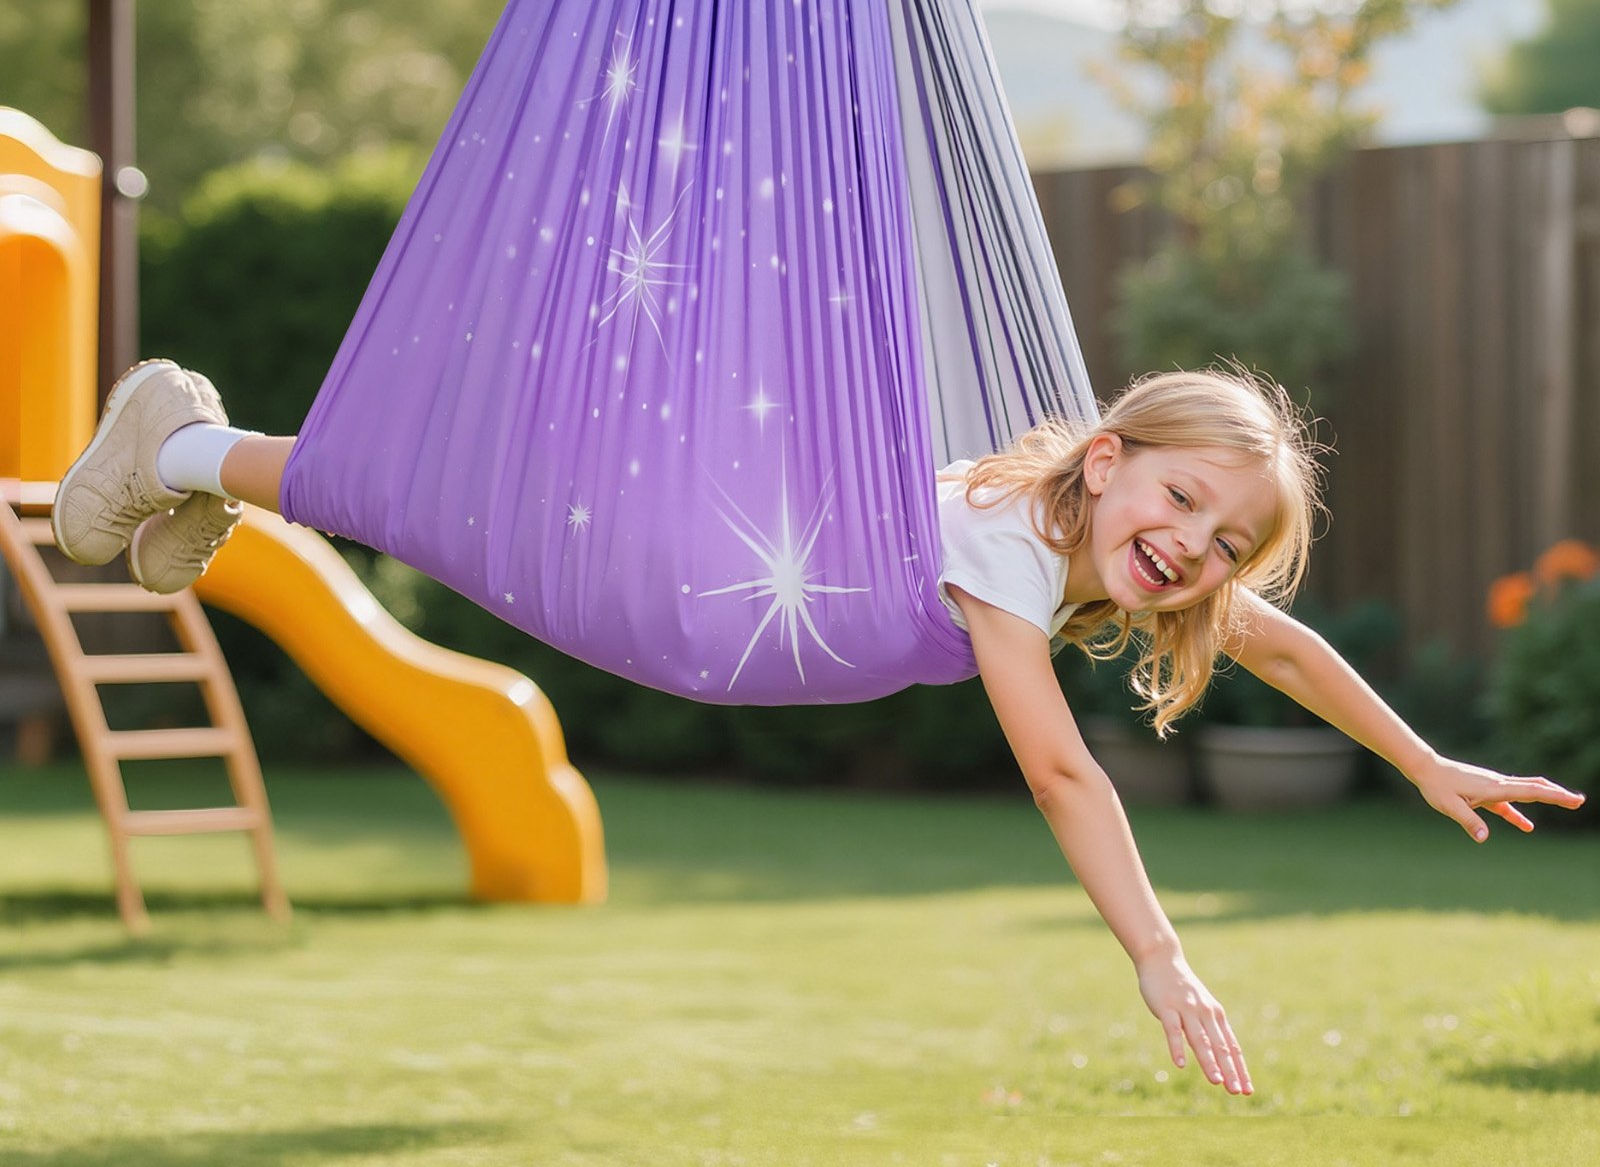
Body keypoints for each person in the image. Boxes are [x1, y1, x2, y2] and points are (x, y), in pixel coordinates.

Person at [51, 358, 1585, 1098]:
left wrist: (1423, 759)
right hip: (685, 572)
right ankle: (176, 439)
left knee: (442, 510)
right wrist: (1160, 951)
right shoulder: (1005, 548)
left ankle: (185, 454)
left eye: (1225, 541)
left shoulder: (1078, 548)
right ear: (1107, 462)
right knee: (438, 509)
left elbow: (1291, 650)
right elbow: (1057, 767)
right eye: (1182, 501)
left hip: (709, 600)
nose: (1194, 552)